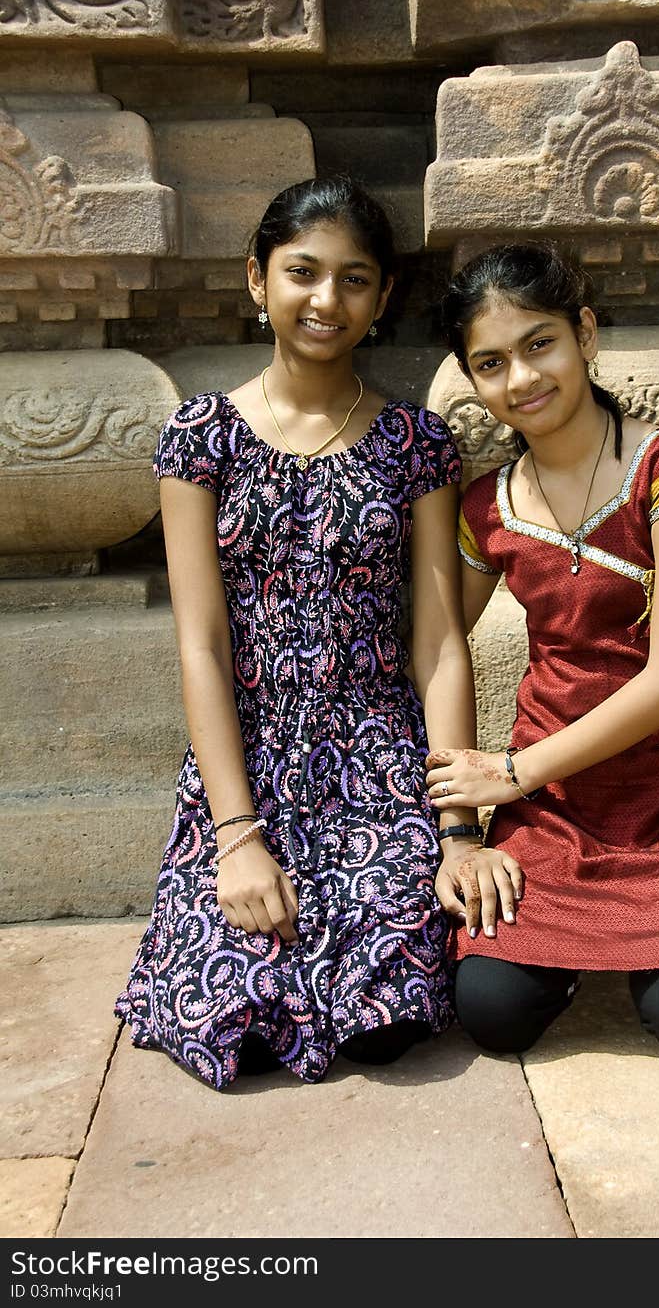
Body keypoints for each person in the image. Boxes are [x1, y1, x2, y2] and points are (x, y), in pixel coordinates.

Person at [115, 175, 481, 1088]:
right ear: (258, 279)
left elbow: (438, 642)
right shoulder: (201, 438)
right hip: (250, 759)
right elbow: (201, 644)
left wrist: (458, 824)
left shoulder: (417, 445)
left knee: (388, 1020)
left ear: (383, 297)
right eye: (303, 273)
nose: (327, 300)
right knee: (234, 1021)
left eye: (355, 279)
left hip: (378, 757)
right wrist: (235, 836)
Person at [426, 241, 659, 1068]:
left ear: (585, 334)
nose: (521, 378)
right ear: (471, 379)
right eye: (490, 362)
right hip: (553, 809)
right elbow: (440, 643)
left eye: (538, 343)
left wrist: (509, 772)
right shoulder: (489, 507)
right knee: (491, 1011)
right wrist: (458, 829)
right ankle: (569, 958)